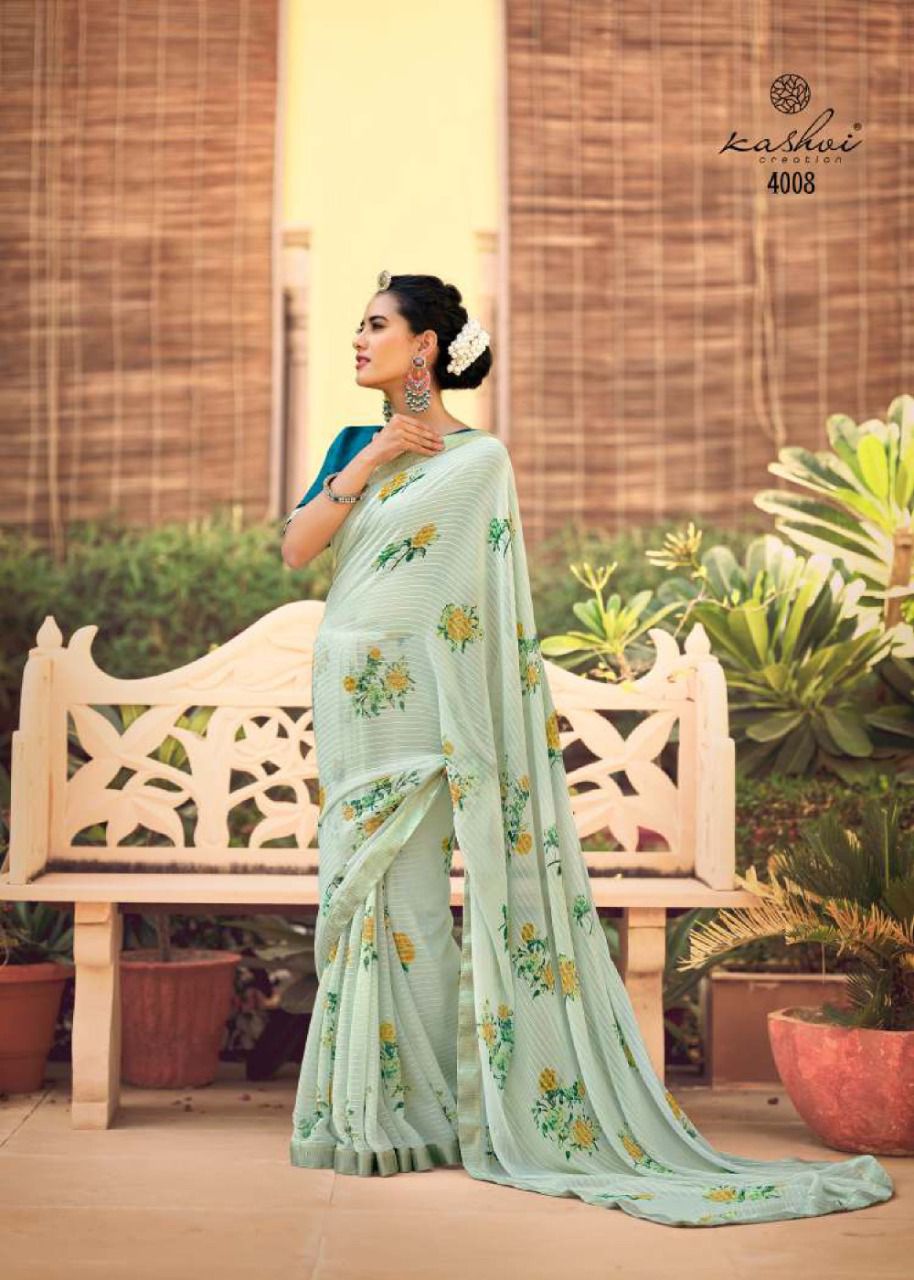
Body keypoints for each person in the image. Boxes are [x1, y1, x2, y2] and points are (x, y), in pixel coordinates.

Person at [283, 272, 894, 1226]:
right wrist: (368, 463)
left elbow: (478, 603)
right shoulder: (351, 446)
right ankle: (367, 1113)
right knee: (362, 892)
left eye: (375, 325)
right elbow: (296, 551)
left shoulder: (480, 461)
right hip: (350, 702)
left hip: (427, 709)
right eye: (357, 326)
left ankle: (427, 1113)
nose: (356, 340)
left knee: (415, 902)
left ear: (425, 347)